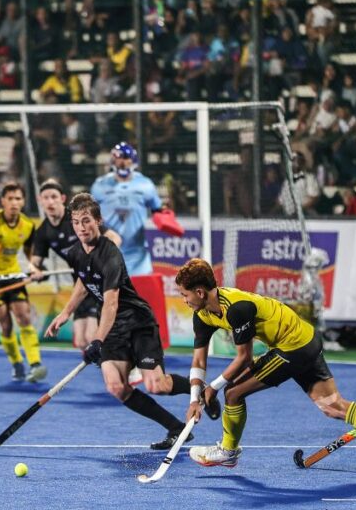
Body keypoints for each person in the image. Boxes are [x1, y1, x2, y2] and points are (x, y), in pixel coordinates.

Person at [175, 258, 356, 478]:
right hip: (306, 340)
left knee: (233, 393)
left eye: (185, 295)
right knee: (333, 405)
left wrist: (214, 387)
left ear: (199, 292)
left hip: (292, 348)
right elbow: (199, 361)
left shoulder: (236, 308)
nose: (184, 300)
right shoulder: (203, 315)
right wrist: (195, 398)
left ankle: (228, 452)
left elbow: (244, 358)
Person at [45, 194, 220, 450]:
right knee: (116, 387)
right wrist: (65, 313)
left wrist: (97, 340)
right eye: (76, 222)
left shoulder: (110, 255)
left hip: (137, 322)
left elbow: (111, 303)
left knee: (157, 385)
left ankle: (202, 390)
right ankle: (175, 427)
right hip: (112, 327)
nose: (81, 227)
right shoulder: (74, 253)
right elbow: (83, 281)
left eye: (86, 220)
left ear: (98, 221)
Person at [29, 180, 122, 350]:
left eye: (54, 197)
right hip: (80, 283)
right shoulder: (43, 232)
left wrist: (99, 258)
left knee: (92, 336)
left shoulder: (78, 217)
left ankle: (119, 360)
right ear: (39, 200)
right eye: (46, 198)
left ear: (62, 198)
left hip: (98, 280)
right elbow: (34, 263)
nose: (50, 202)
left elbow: (115, 238)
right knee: (80, 342)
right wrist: (35, 272)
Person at [0, 181, 46, 383]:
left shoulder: (28, 225)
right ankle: (16, 363)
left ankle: (35, 363)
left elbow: (30, 253)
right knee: (5, 324)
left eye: (18, 199)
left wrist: (33, 269)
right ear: (2, 201)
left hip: (13, 276)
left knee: (24, 317)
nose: (14, 203)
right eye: (10, 199)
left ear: (23, 201)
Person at [90, 142, 164, 276]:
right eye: (119, 159)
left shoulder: (145, 184)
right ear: (113, 161)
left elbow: (158, 211)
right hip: (109, 252)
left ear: (133, 161)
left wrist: (165, 218)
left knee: (141, 289)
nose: (122, 163)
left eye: (126, 159)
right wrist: (102, 232)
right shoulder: (99, 186)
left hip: (138, 256)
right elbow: (90, 216)